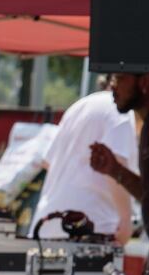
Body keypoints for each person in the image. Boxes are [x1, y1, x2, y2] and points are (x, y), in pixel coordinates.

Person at [32, 82, 138, 242]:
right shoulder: (120, 113)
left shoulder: (80, 105)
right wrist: (125, 219)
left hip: (48, 222)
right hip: (91, 227)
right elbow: (116, 165)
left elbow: (48, 162)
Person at [88, 72, 149, 237]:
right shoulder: (148, 128)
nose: (113, 85)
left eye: (119, 78)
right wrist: (115, 169)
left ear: (146, 81)